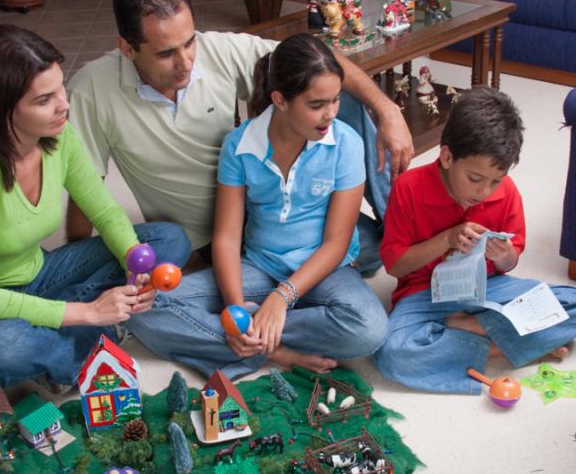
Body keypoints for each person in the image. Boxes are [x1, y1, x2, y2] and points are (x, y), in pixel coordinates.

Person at [66, 0, 412, 274]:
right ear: (127, 48)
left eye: (189, 43)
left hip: (269, 204)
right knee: (356, 255)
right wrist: (75, 259)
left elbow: (315, 62)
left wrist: (387, 110)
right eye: (166, 53)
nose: (185, 62)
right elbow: (85, 187)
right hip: (207, 236)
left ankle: (400, 227)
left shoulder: (218, 50)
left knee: (334, 95)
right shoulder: (91, 89)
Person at [0, 25, 190, 388]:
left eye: (60, 87)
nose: (64, 104)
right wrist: (89, 312)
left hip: (37, 275)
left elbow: (107, 213)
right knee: (1, 348)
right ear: (2, 109)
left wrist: (132, 260)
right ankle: (90, 340)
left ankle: (68, 339)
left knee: (168, 241)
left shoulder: (58, 135)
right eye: (44, 99)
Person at [124, 34, 389, 379]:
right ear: (279, 100)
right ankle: (274, 351)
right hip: (261, 267)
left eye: (335, 100)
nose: (330, 114)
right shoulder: (239, 145)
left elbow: (337, 243)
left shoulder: (345, 144)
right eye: (316, 104)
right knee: (143, 307)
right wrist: (235, 310)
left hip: (325, 269)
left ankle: (250, 338)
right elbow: (227, 239)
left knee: (369, 330)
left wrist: (280, 300)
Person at [373, 87, 576, 394]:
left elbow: (511, 261)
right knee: (392, 353)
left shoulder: (507, 193)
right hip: (425, 295)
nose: (484, 192)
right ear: (447, 155)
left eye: (495, 181)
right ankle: (506, 347)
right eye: (475, 179)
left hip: (489, 289)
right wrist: (446, 240)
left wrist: (502, 255)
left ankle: (471, 329)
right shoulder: (408, 189)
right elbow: (395, 267)